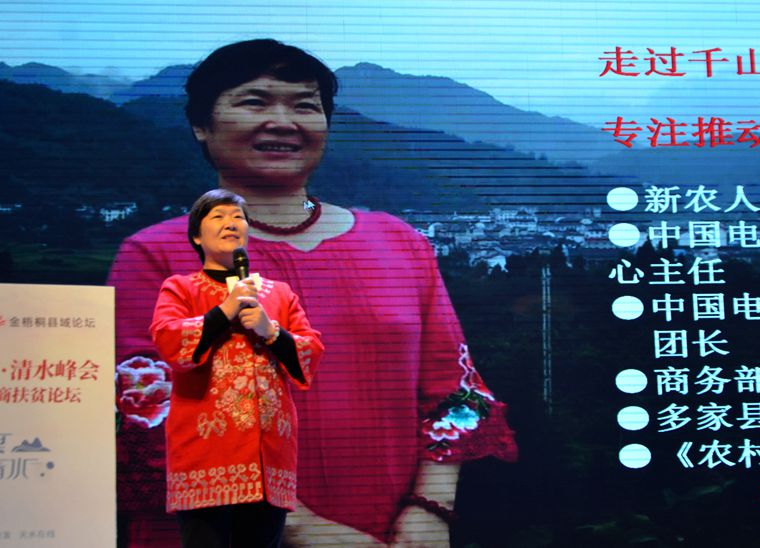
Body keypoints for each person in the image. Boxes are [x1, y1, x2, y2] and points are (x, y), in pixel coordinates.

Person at [110, 39, 517, 547]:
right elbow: (149, 415)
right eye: (254, 101)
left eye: (305, 105)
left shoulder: (398, 244)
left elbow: (454, 392)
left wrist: (430, 509)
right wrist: (301, 529)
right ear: (201, 125)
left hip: (392, 530)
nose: (283, 122)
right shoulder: (155, 253)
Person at [150, 189, 323, 547]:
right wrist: (225, 310)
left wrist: (270, 330)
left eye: (238, 217)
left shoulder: (279, 293)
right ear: (196, 237)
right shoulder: (180, 288)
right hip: (204, 452)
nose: (230, 223)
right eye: (218, 216)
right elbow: (169, 340)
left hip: (269, 455)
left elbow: (310, 352)